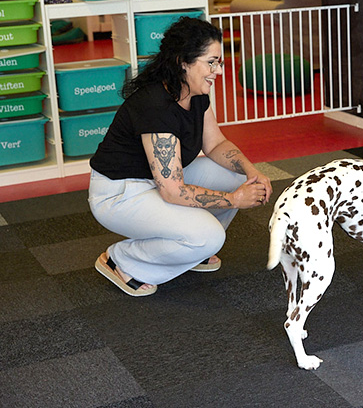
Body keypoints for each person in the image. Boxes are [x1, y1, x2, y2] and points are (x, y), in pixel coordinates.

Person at [89, 17, 272, 297]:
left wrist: (252, 172)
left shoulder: (196, 93)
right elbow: (173, 191)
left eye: (219, 62)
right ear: (182, 62)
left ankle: (187, 251)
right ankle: (122, 260)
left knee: (236, 176)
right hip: (119, 194)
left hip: (158, 182)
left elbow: (215, 144)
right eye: (211, 62)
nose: (218, 71)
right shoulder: (155, 106)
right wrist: (235, 199)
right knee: (210, 237)